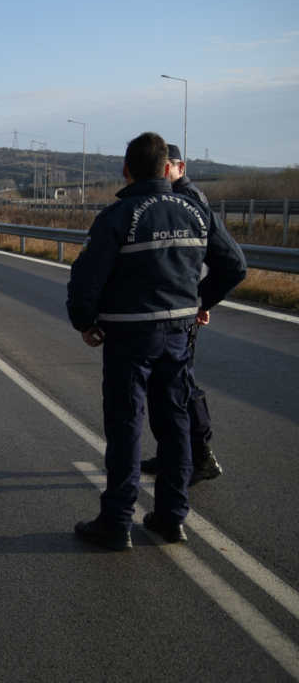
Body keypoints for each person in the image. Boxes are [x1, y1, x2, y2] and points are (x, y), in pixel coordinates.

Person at [67, 132, 245, 550]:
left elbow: (86, 279)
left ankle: (115, 523)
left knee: (126, 425)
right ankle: (170, 518)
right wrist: (200, 301)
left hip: (129, 336)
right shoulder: (195, 210)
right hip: (179, 335)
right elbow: (235, 265)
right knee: (175, 423)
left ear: (127, 170)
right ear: (168, 168)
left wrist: (84, 322)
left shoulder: (120, 215)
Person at [140, 144, 232, 484]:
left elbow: (229, 262)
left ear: (179, 167)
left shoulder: (189, 199)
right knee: (169, 385)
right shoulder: (174, 197)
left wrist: (201, 302)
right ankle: (171, 455)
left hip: (181, 307)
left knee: (180, 385)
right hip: (178, 303)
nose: (162, 172)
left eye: (168, 166)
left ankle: (201, 456)